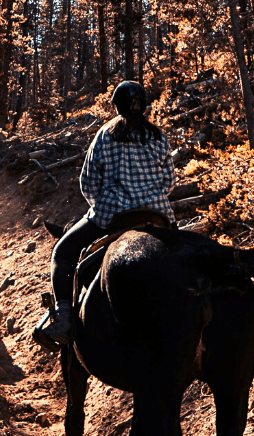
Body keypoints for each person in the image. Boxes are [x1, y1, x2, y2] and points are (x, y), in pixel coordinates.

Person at [33, 80, 175, 349]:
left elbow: (88, 183)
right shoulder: (159, 136)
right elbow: (169, 181)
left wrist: (102, 203)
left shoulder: (106, 134)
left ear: (117, 105)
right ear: (143, 105)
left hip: (113, 215)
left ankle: (63, 317)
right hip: (158, 215)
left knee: (62, 253)